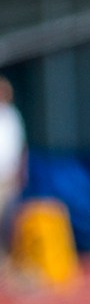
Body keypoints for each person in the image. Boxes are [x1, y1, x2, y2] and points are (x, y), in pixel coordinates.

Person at [0, 75, 27, 256]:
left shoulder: (12, 115)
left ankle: (6, 256)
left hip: (9, 177)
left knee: (8, 219)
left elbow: (21, 145)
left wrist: (22, 171)